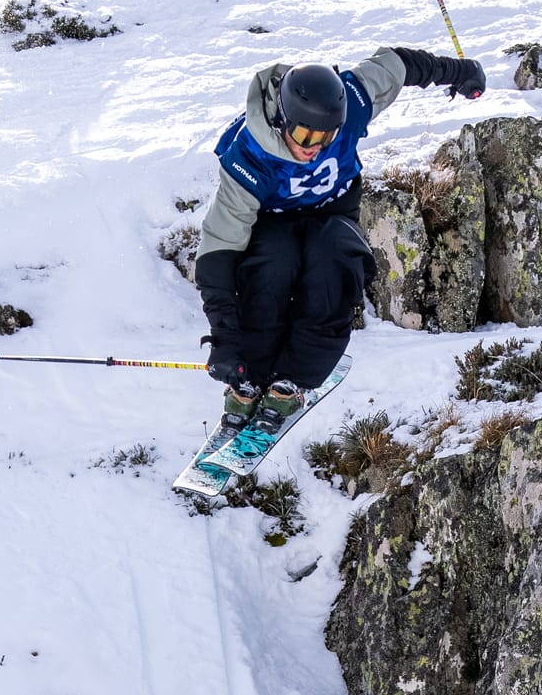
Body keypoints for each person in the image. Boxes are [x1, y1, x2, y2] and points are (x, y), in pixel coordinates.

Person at [195, 46, 486, 434]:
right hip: (270, 223)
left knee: (333, 262)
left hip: (333, 214)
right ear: (283, 119)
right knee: (272, 264)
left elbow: (400, 66)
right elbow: (218, 249)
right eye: (303, 134)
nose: (313, 146)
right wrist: (225, 341)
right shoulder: (249, 154)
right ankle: (249, 376)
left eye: (324, 136)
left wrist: (460, 71)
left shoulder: (352, 100)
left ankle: (294, 379)